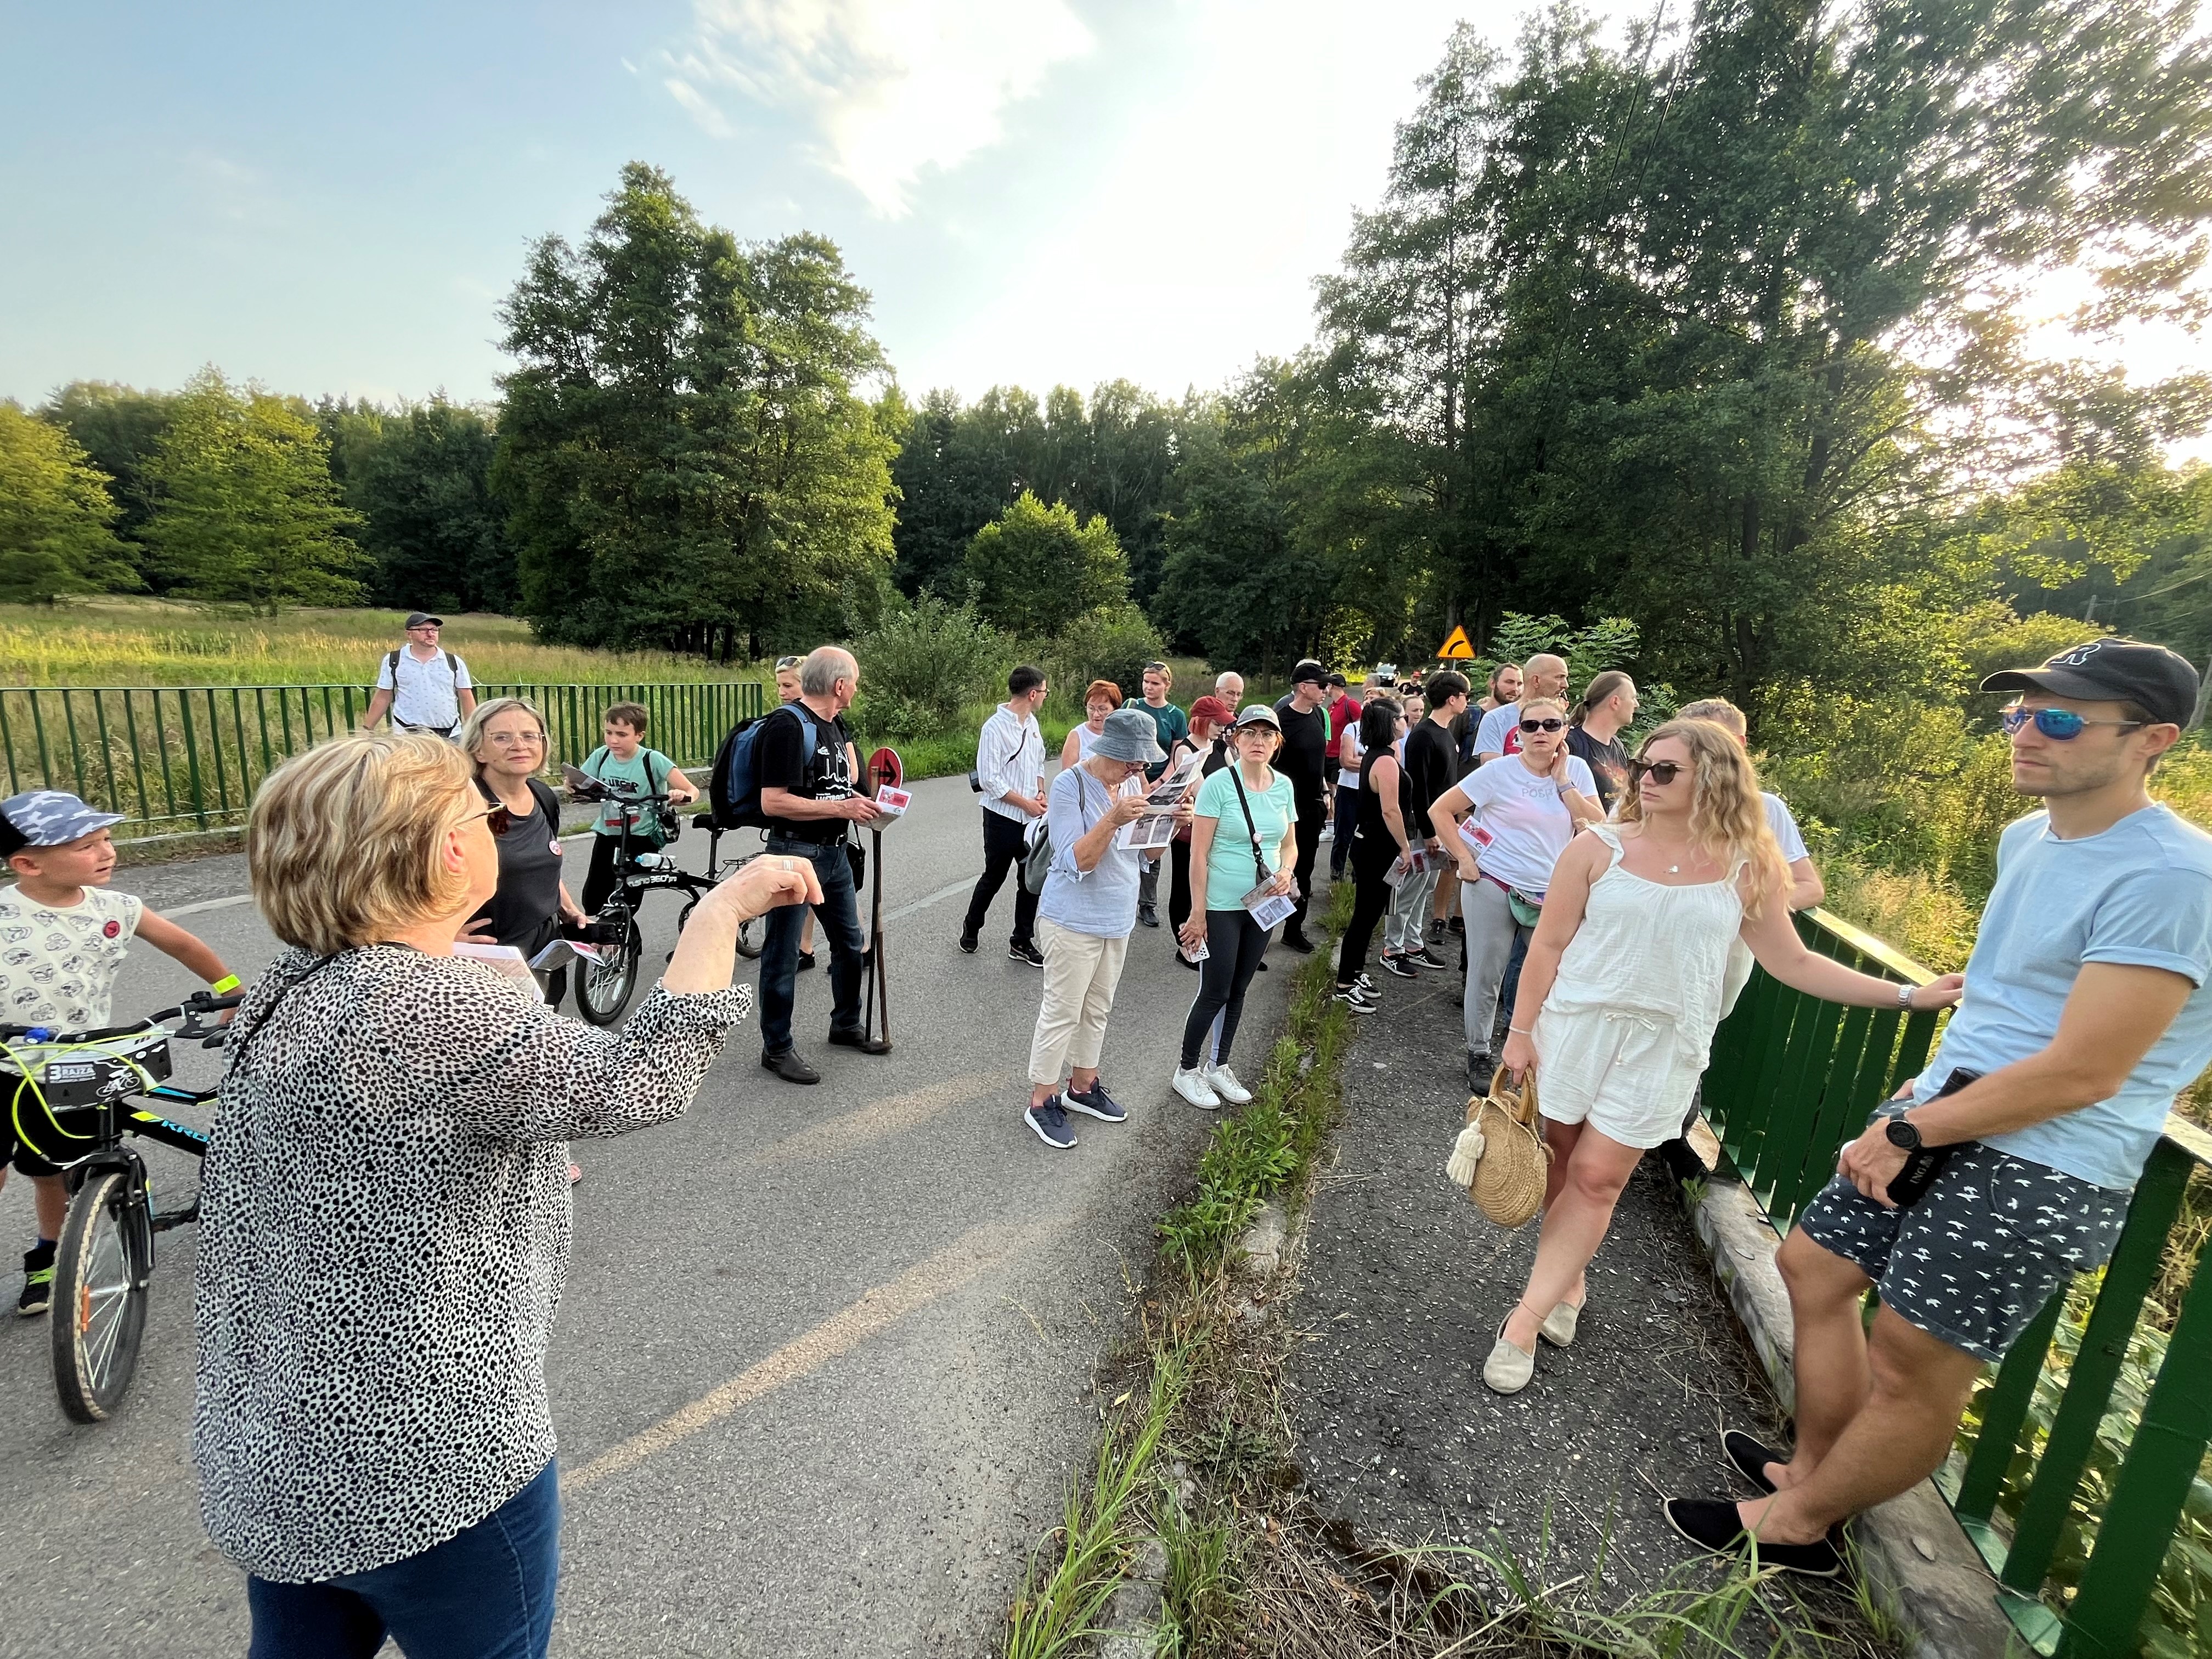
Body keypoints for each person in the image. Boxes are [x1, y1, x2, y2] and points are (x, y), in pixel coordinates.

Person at [193, 730, 816, 1658]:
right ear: (451, 851)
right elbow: (641, 1081)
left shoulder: (292, 983)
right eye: (481, 817)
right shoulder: (430, 1004)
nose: (496, 827)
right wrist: (720, 912)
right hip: (428, 1460)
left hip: (277, 1445)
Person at [1667, 639, 2212, 1577]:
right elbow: (2005, 999)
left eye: (2060, 718)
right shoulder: (2028, 836)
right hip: (1945, 1109)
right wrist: (1918, 1099)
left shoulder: (2172, 877)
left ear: (2152, 739)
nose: (2026, 733)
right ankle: (1810, 1467)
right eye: (2019, 713)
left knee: (1912, 1359)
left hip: (2046, 1155)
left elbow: (2085, 1071)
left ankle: (1802, 1523)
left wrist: (1911, 1130)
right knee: (1811, 1267)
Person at [1479, 720, 1967, 1406]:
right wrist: (1521, 1032)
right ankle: (1569, 1281)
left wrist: (1909, 995)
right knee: (1560, 1164)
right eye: (1643, 765)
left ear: (1713, 777)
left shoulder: (1746, 867)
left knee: (1596, 1179)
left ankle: (1523, 1322)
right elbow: (1550, 945)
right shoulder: (1596, 848)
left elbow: (1795, 962)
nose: (1646, 778)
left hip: (1664, 1048)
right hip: (1576, 1029)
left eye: (1666, 770)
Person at [1, 790, 237, 1317]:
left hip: (74, 1064)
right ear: (28, 864)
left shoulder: (117, 908)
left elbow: (182, 944)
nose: (107, 852)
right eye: (86, 846)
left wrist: (230, 990)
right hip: (5, 1063)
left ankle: (48, 1256)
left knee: (54, 1169)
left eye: (106, 839)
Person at [1023, 710, 1176, 1150]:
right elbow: (1077, 861)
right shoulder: (1070, 784)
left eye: (1143, 762)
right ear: (1108, 749)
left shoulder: (1130, 783)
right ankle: (1041, 1100)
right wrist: (1112, 819)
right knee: (1063, 1012)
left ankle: (1083, 1086)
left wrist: (1170, 822)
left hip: (1116, 916)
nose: (1138, 769)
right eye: (1132, 761)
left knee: (1098, 1009)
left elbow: (1147, 855)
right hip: (1071, 919)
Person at [1431, 697, 1605, 1084]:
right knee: (1487, 971)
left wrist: (1563, 781)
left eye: (1551, 725)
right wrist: (1464, 859)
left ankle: (1534, 1051)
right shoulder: (1499, 771)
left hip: (1551, 891)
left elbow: (1599, 824)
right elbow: (1440, 810)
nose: (1541, 732)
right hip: (1493, 881)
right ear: (1518, 733)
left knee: (1551, 975)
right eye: (1531, 726)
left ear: (1564, 730)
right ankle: (1479, 1052)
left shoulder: (1577, 770)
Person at [755, 647, 884, 1083]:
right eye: (855, 682)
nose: (856, 690)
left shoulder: (835, 723)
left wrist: (866, 805)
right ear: (839, 685)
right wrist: (842, 809)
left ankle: (845, 1025)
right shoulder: (787, 725)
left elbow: (840, 787)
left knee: (850, 944)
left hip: (834, 853)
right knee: (782, 953)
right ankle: (777, 1048)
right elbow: (773, 802)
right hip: (793, 854)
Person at [1173, 706, 1299, 1109]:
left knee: (1240, 989)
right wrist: (1197, 913)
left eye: (1267, 735)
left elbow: (1289, 845)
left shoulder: (1284, 786)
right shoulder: (1218, 785)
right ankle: (1186, 1070)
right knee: (1215, 990)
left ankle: (1219, 1065)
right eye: (1250, 733)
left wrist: (1287, 872)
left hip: (1264, 904)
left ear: (1277, 742)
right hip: (1220, 904)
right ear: (1237, 739)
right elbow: (1198, 855)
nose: (1258, 741)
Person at [457, 698, 585, 1009]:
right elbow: (416, 877)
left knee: (543, 1026)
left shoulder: (542, 796)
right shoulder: (464, 803)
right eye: (502, 737)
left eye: (530, 736)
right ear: (478, 750)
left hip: (543, 951)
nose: (519, 745)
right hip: (486, 957)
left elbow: (544, 860)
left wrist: (569, 909)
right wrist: (443, 936)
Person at [1675, 698, 1824, 913]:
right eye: (1686, 740)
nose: (1694, 751)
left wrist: (1736, 913)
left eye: (1708, 739)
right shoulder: (1653, 801)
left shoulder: (1766, 809)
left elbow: (1810, 888)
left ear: (1738, 744)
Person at [963, 665, 1050, 964]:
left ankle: (1022, 941)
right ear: (1033, 693)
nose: (1045, 696)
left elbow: (1039, 762)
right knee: (994, 876)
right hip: (1002, 818)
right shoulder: (994, 728)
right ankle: (971, 927)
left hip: (1031, 820)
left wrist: (1040, 792)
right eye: (1045, 691)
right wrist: (1025, 804)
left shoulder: (1033, 724)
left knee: (1030, 880)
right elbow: (990, 780)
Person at [1382, 670, 1465, 979]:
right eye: (1465, 696)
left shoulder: (1446, 733)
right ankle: (1392, 949)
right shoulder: (1424, 736)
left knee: (1426, 887)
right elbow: (1418, 790)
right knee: (1409, 888)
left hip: (1441, 827)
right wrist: (1429, 833)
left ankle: (1413, 943)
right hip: (1423, 829)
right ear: (1453, 699)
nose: (1467, 702)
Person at [578, 702, 697, 918]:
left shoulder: (652, 759)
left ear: (639, 736)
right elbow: (580, 783)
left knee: (628, 894)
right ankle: (599, 930)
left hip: (641, 836)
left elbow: (692, 790)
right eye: (609, 733)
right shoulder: (601, 756)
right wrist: (573, 787)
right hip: (608, 833)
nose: (613, 740)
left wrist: (680, 796)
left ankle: (622, 930)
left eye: (622, 734)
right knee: (594, 895)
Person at [1332, 698, 1412, 1013]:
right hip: (1377, 847)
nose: (1406, 721)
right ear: (1391, 723)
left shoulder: (1378, 755)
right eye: (1402, 717)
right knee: (1364, 917)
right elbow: (1391, 810)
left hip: (1372, 845)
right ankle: (1344, 984)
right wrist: (1405, 847)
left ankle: (1354, 971)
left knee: (1369, 916)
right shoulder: (1385, 762)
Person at [1169, 695, 1234, 966]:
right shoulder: (1186, 751)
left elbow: (1236, 778)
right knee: (1184, 888)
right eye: (1217, 724)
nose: (1222, 729)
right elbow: (1204, 791)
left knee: (1209, 886)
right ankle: (1185, 947)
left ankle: (1207, 941)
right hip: (1192, 829)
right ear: (1202, 721)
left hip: (1219, 827)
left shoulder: (1219, 746)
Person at [1273, 661, 1333, 952]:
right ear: (1303, 687)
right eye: (1321, 685)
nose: (1326, 690)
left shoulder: (1319, 715)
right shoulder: (1281, 721)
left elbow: (1319, 759)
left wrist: (1325, 790)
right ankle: (1258, 934)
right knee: (1275, 870)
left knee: (1305, 870)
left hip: (1312, 807)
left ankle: (1293, 930)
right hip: (1283, 809)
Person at [773, 657, 821, 969]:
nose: (781, 692)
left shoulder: (821, 721)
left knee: (816, 891)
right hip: (801, 822)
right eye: (779, 686)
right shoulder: (786, 722)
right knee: (815, 891)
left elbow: (854, 773)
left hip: (820, 823)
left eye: (788, 685)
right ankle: (806, 947)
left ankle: (806, 948)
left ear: (808, 685)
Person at [1133, 662, 1189, 930]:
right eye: (1146, 681)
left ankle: (1147, 903)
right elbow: (1130, 746)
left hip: (1161, 785)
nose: (1149, 687)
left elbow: (1176, 753)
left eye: (1155, 683)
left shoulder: (1175, 715)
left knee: (1153, 841)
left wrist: (1161, 782)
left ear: (1167, 685)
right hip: (1133, 778)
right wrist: (1143, 780)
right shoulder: (1134, 707)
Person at [361, 613, 477, 738]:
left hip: (449, 734)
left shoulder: (454, 662)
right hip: (406, 734)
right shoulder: (394, 660)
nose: (430, 634)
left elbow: (466, 696)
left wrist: (474, 731)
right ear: (409, 634)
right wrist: (367, 730)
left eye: (434, 630)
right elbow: (383, 696)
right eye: (423, 630)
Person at [1565, 671, 1638, 812]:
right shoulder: (1572, 744)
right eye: (1633, 698)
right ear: (1615, 702)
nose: (1636, 704)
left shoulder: (1618, 745)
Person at [1474, 653, 1567, 763]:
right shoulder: (1496, 718)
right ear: (1536, 680)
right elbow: (1491, 768)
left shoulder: (1560, 721)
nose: (1565, 685)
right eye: (1559, 677)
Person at [1325, 673, 1367, 880]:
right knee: (1343, 833)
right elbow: (1347, 761)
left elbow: (1392, 760)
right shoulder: (1333, 708)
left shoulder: (1350, 706)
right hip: (1340, 770)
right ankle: (1337, 874)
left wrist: (1362, 762)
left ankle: (1358, 875)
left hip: (1367, 788)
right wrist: (1372, 764)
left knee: (1363, 835)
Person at [1060, 680, 1125, 769]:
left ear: (1115, 710)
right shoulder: (1077, 736)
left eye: (1102, 709)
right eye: (1091, 708)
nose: (1096, 715)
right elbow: (1066, 773)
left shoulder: (1123, 735)